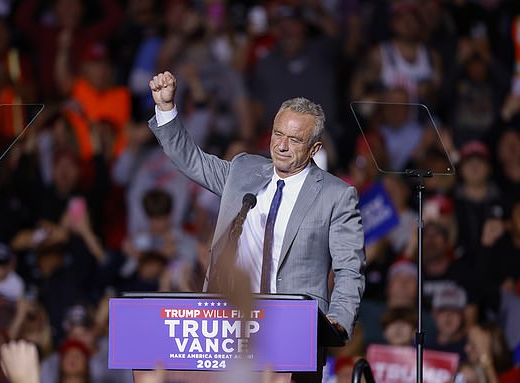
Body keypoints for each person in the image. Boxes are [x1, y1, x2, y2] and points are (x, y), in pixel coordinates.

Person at [148, 71, 366, 383]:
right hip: (227, 325)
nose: (282, 146)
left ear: (315, 148)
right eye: (278, 134)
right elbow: (191, 160)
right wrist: (166, 109)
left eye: (294, 139)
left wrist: (339, 318)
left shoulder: (337, 195)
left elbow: (350, 267)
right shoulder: (243, 170)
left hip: (293, 331)